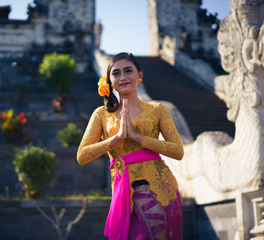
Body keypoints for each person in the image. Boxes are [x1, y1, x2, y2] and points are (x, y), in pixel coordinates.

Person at [77, 52, 184, 240]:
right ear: (109, 81)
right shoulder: (101, 114)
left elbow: (177, 151)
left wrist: (138, 137)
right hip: (124, 192)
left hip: (161, 190)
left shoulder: (158, 110)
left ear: (139, 75)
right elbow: (82, 155)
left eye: (128, 71)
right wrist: (115, 139)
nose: (123, 77)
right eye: (116, 73)